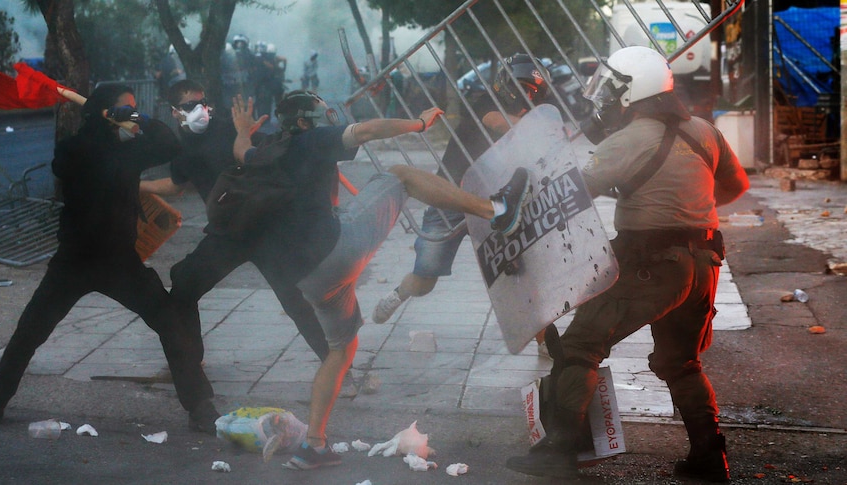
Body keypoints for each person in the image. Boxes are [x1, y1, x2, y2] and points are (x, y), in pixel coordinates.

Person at [229, 90, 531, 470]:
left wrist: (242, 129)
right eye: (323, 113)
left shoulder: (266, 152)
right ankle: (497, 209)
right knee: (400, 175)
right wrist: (420, 123)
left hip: (307, 279)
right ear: (304, 123)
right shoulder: (311, 139)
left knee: (341, 351)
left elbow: (242, 151)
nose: (331, 117)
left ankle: (314, 445)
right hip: (337, 250)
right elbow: (369, 130)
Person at [504, 46, 750, 482]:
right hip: (705, 264)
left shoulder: (624, 140)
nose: (602, 98)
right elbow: (733, 186)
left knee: (581, 347)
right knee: (682, 362)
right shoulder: (704, 132)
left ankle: (559, 453)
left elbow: (571, 198)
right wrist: (686, 207)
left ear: (631, 93)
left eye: (612, 89)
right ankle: (711, 459)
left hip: (649, 263)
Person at [0, 84, 218, 432]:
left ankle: (200, 407)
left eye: (133, 109)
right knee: (30, 332)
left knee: (170, 323)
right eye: (125, 108)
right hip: (74, 261)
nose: (131, 115)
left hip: (120, 262)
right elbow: (66, 164)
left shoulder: (130, 151)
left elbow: (170, 144)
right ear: (103, 114)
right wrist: (104, 125)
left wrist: (136, 118)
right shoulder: (76, 148)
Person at [139, 80, 334, 389]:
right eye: (190, 106)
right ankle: (190, 362)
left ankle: (337, 364)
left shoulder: (229, 127)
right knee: (185, 282)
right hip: (228, 232)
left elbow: (266, 149)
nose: (200, 111)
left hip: (263, 225)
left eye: (203, 103)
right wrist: (140, 186)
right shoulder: (183, 144)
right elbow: (177, 184)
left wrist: (249, 131)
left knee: (292, 298)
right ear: (175, 112)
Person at [372, 54, 559, 355]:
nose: (526, 95)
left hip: (499, 203)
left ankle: (545, 342)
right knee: (426, 276)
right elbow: (497, 122)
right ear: (505, 84)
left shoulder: (532, 115)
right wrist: (539, 128)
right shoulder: (484, 101)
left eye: (533, 91)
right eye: (521, 87)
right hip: (451, 198)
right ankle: (400, 293)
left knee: (523, 272)